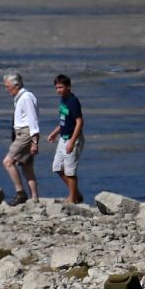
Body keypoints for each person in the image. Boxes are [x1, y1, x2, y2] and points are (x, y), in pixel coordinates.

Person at [45, 73, 84, 204]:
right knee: (57, 167)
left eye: (61, 87)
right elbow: (63, 121)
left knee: (70, 171)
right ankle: (76, 194)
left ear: (68, 86)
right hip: (63, 137)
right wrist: (54, 133)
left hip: (73, 139)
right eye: (56, 88)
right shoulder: (63, 100)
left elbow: (79, 122)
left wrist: (72, 142)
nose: (58, 90)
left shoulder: (73, 101)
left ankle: (72, 199)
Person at [2, 72, 39, 205]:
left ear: (16, 85)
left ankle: (20, 193)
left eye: (8, 87)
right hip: (21, 133)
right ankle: (34, 198)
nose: (7, 90)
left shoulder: (26, 98)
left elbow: (33, 119)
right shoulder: (19, 98)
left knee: (7, 162)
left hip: (25, 134)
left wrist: (35, 141)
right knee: (26, 166)